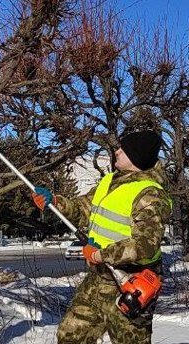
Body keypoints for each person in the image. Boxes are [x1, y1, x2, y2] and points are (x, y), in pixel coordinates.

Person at [31, 130, 172, 344]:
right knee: (70, 337)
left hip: (130, 283)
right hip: (98, 279)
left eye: (123, 150)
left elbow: (145, 245)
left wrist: (100, 255)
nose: (117, 151)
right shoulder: (108, 182)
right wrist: (55, 202)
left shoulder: (150, 194)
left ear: (136, 157)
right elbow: (83, 210)